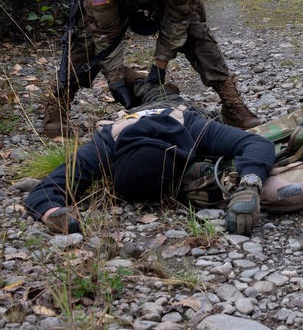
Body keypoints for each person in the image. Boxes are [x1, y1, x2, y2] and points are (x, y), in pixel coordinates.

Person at [41, 0, 261, 138]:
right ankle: (56, 111)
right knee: (85, 38)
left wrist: (159, 68)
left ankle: (234, 105)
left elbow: (177, 20)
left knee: (195, 32)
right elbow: (104, 34)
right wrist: (116, 83)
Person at [26, 81, 275, 236]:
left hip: (176, 107)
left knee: (161, 91)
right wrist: (55, 215)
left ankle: (144, 82)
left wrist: (250, 185)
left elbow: (256, 143)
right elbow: (45, 193)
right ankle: (138, 81)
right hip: (133, 115)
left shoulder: (192, 126)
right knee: (148, 92)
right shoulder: (106, 143)